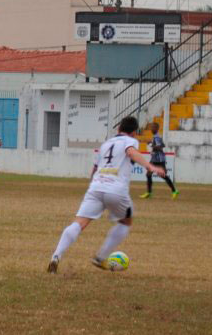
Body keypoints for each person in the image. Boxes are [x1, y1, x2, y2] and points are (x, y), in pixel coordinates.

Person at [47, 116, 165, 274]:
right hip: (116, 188)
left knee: (79, 223)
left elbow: (95, 168)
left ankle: (56, 256)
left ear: (118, 129)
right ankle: (100, 257)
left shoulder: (106, 144)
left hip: (96, 187)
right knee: (126, 221)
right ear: (134, 133)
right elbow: (131, 152)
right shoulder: (130, 141)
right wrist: (150, 166)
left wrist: (92, 186)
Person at [140, 122, 179, 200]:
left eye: (154, 127)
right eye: (151, 127)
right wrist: (153, 146)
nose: (152, 129)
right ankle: (149, 192)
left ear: (157, 129)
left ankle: (174, 191)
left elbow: (159, 148)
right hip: (155, 158)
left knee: (163, 175)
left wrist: (151, 144)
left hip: (159, 159)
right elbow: (163, 145)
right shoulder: (156, 137)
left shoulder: (157, 137)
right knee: (148, 174)